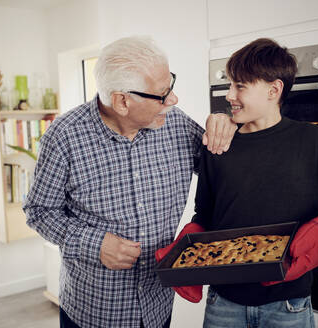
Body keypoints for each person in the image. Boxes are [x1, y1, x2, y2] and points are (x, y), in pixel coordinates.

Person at [158, 38, 318, 327]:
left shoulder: (311, 141)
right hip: (222, 304)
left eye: (240, 86)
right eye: (230, 84)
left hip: (289, 306)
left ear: (274, 90)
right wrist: (185, 252)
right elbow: (206, 215)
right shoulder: (219, 144)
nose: (229, 95)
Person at [23, 36, 236, 328]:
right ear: (122, 101)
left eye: (170, 85)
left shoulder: (175, 123)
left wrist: (227, 124)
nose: (173, 100)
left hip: (158, 306)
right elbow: (39, 212)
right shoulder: (64, 137)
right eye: (162, 94)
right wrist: (94, 244)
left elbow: (225, 168)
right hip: (94, 312)